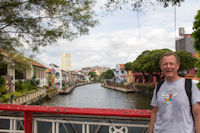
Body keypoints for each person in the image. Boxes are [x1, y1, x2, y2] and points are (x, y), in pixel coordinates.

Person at [149, 52, 200, 133]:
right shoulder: (158, 86)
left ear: (178, 66)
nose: (168, 67)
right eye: (165, 64)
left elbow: (197, 114)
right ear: (161, 67)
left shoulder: (189, 85)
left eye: (171, 64)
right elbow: (155, 111)